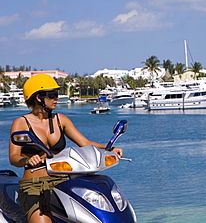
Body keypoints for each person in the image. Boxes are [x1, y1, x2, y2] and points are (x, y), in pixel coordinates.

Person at [8, 74, 123, 223]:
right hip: (34, 185)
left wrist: (110, 148)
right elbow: (14, 157)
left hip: (62, 180)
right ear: (38, 98)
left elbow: (84, 142)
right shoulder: (21, 123)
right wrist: (29, 160)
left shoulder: (60, 120)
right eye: (52, 95)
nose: (57, 98)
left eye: (56, 94)